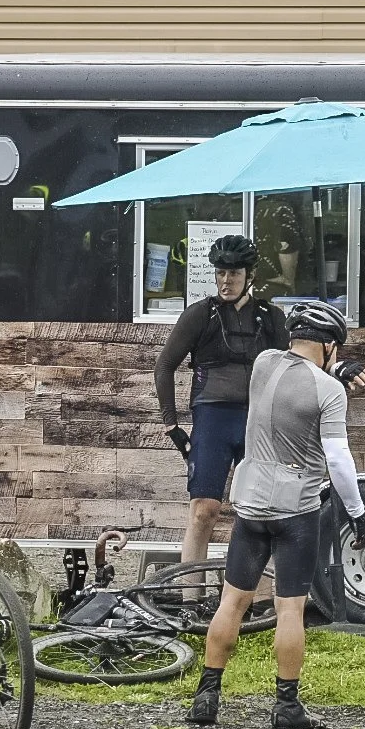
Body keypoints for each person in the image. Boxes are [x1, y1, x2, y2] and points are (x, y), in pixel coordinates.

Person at [184, 301, 365, 729]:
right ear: (328, 346)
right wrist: (358, 514)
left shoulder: (264, 364)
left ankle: (206, 698)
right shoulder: (329, 392)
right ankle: (286, 706)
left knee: (233, 600)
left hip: (250, 503)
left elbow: (290, 368)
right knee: (291, 609)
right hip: (296, 509)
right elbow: (339, 460)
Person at [155, 235, 293, 564]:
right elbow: (164, 366)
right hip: (213, 419)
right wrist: (172, 425)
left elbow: (296, 366)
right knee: (204, 510)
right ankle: (191, 598)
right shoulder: (200, 314)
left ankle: (256, 601)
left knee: (259, 514)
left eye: (234, 273)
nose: (226, 281)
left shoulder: (271, 317)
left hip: (258, 422)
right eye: (220, 273)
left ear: (250, 276)